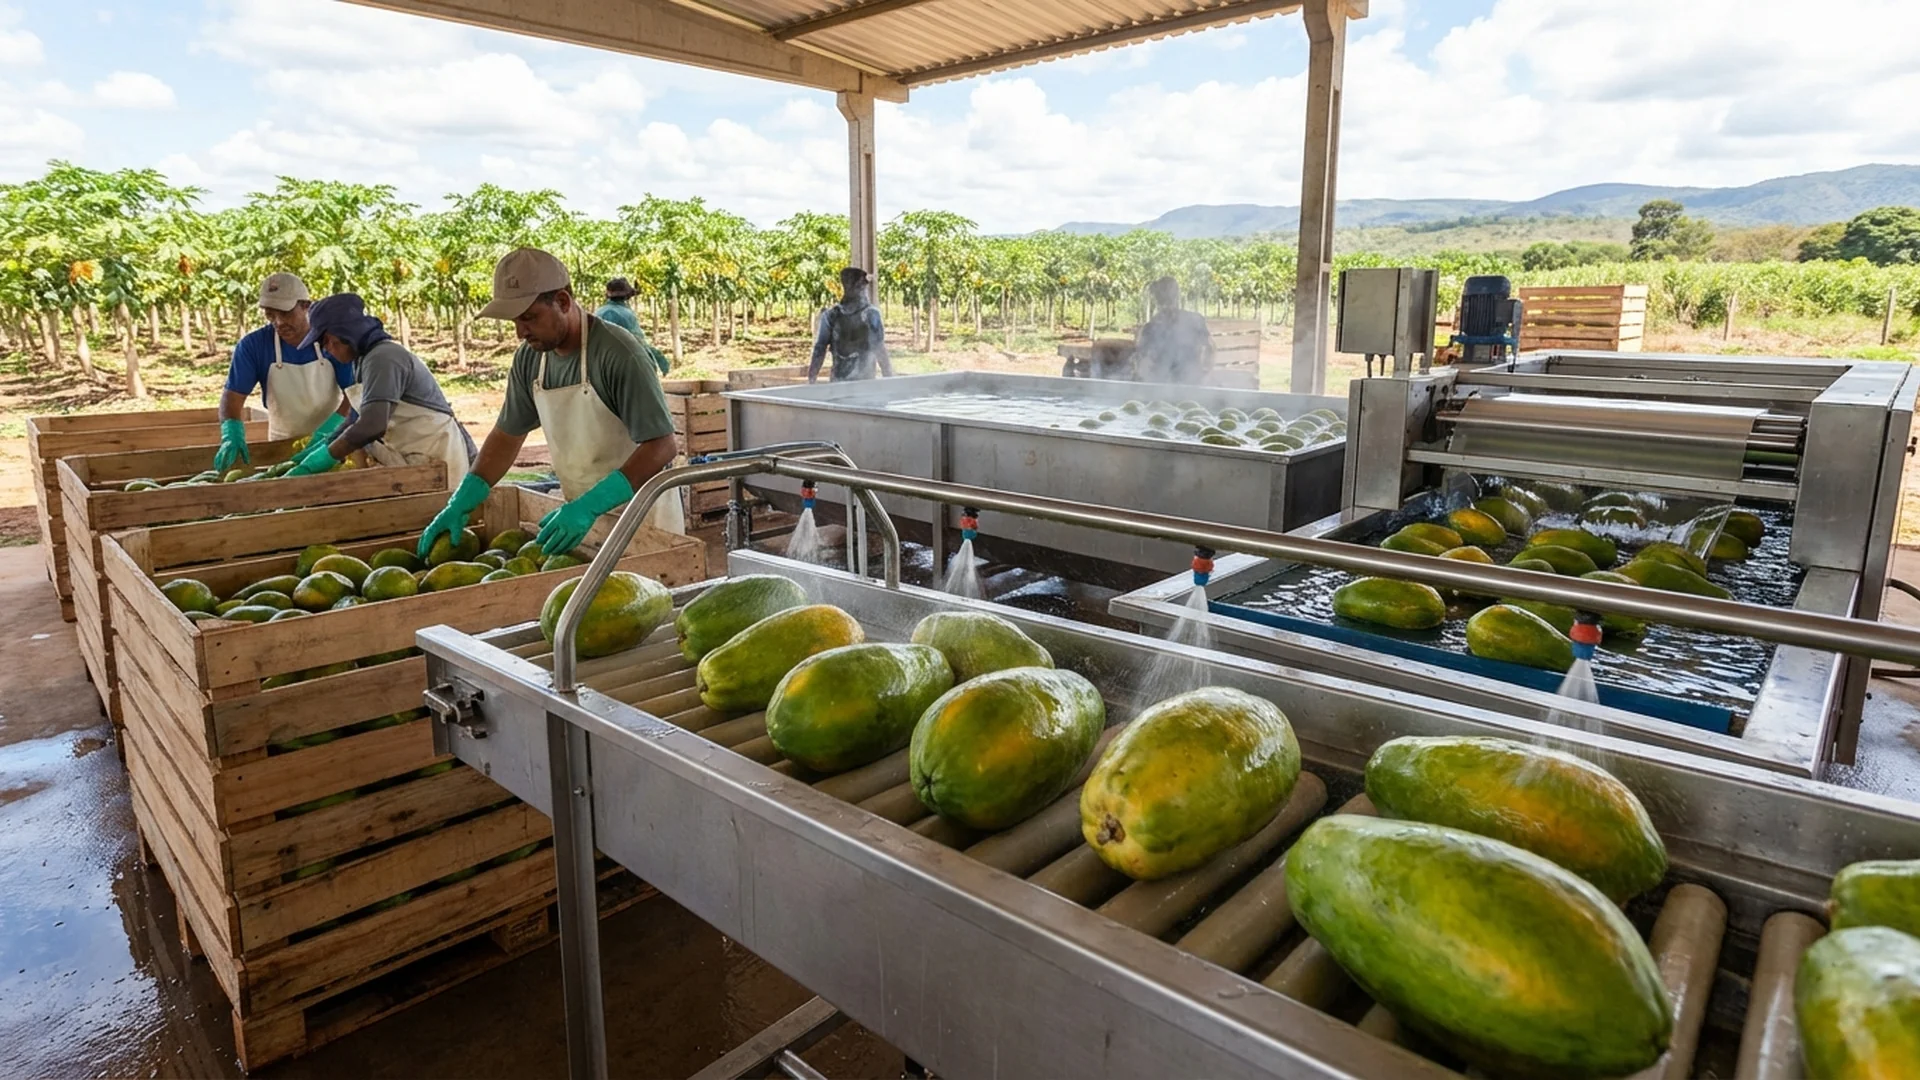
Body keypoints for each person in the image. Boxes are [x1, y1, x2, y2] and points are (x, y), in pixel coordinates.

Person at [417, 247, 684, 563]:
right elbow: (507, 435)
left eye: (529, 317)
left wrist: (592, 504)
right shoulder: (530, 358)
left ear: (563, 302)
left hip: (642, 516)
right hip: (577, 518)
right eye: (515, 320)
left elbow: (662, 446)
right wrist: (463, 500)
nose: (520, 332)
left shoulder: (619, 354)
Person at [282, 294, 476, 484]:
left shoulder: (383, 358)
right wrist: (322, 448)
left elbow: (371, 426)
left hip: (436, 455)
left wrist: (325, 459)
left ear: (343, 336)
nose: (326, 350)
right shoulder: (362, 360)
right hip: (414, 456)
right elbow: (355, 419)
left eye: (325, 342)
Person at [212, 272, 354, 472]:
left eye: (285, 313)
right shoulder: (253, 346)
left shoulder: (331, 340)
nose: (278, 322)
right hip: (283, 445)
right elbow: (233, 398)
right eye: (270, 314)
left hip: (333, 445)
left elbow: (355, 395)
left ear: (306, 306)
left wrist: (330, 431)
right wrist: (231, 432)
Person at [808, 266, 892, 383]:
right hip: (852, 384)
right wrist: (811, 379)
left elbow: (880, 349)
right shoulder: (832, 316)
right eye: (860, 286)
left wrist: (811, 380)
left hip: (861, 384)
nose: (863, 290)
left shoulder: (870, 314)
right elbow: (820, 349)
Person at [1132, 276, 1214, 385]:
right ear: (1177, 296)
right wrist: (1205, 373)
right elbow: (1210, 348)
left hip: (1172, 386)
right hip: (1183, 385)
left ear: (1156, 300)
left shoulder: (1150, 328)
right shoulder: (1195, 320)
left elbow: (1142, 363)